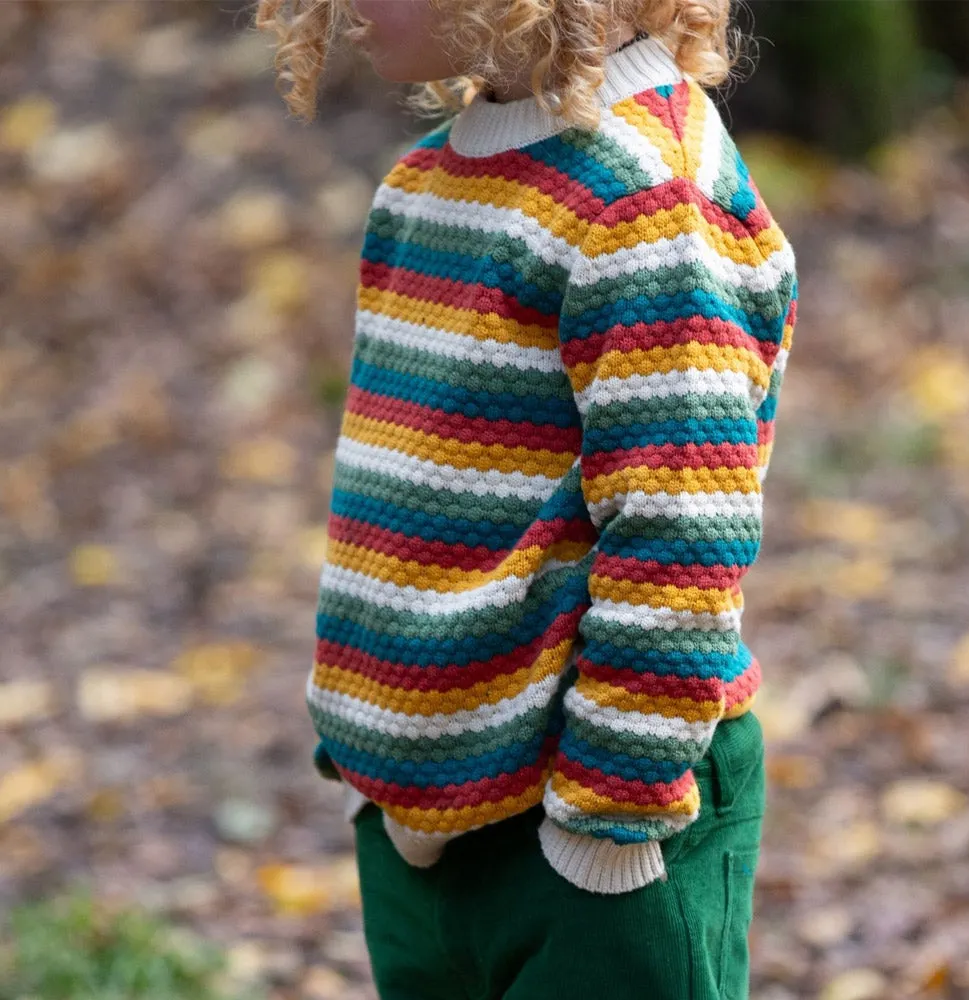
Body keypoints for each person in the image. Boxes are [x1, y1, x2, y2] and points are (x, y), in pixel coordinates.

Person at [256, 2, 798, 997]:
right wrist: (383, 757)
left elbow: (678, 536)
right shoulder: (425, 186)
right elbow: (404, 499)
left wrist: (609, 821)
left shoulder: (645, 200)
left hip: (597, 832)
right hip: (426, 819)